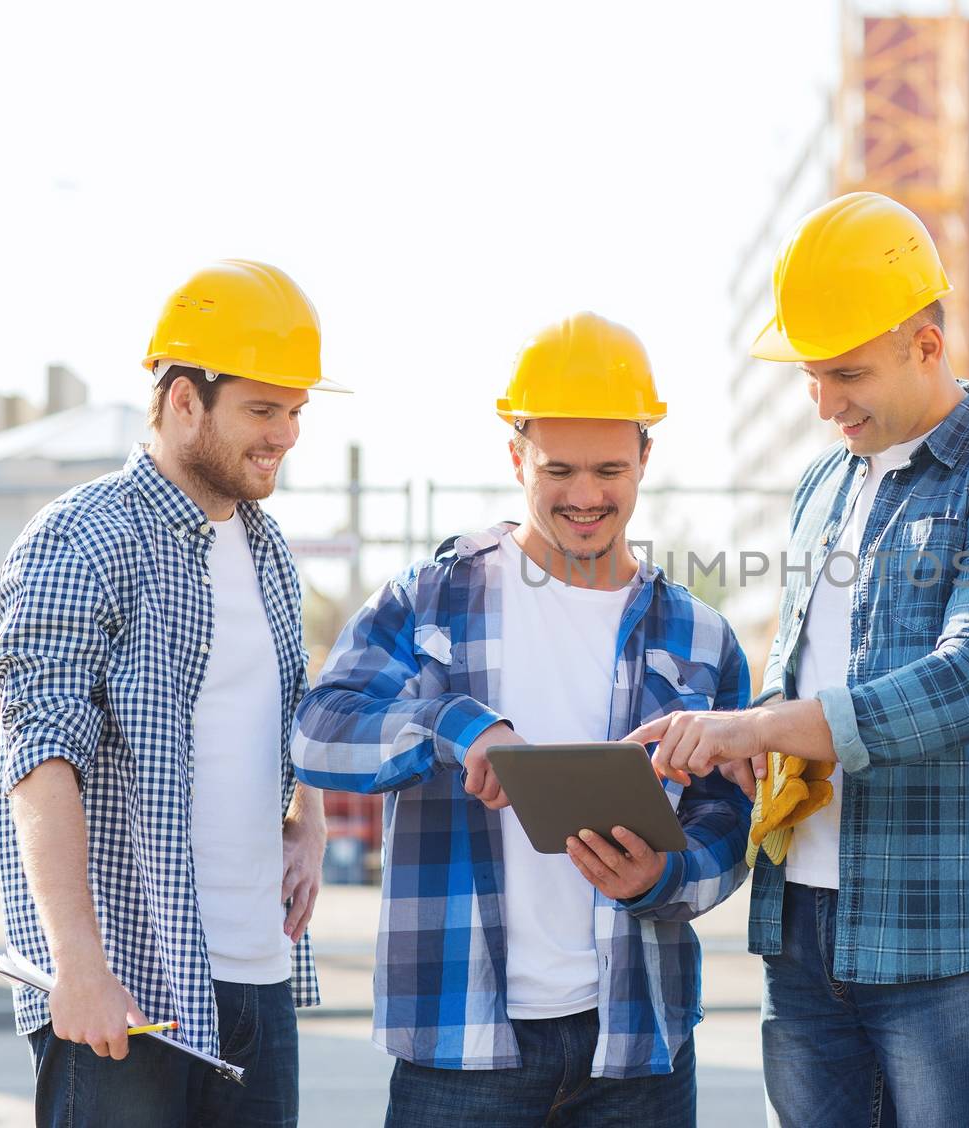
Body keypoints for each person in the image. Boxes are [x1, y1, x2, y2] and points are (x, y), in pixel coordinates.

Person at [629, 192, 969, 1127]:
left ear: (927, 343)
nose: (825, 403)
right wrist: (749, 732)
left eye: (847, 373)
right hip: (803, 929)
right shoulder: (823, 486)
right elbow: (800, 670)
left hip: (951, 934)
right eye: (810, 375)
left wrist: (758, 723)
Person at [291, 311, 752, 1127]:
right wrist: (458, 728)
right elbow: (317, 730)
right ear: (516, 456)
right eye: (558, 468)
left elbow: (731, 818)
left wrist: (665, 878)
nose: (584, 496)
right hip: (461, 1047)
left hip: (636, 1046)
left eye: (610, 468)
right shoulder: (430, 598)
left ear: (647, 456)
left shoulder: (699, 635)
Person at [0, 259, 339, 1127]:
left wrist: (308, 815)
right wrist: (76, 963)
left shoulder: (267, 549)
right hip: (128, 992)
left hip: (256, 981)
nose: (287, 435)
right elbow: (40, 757)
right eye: (263, 410)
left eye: (296, 412)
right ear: (183, 399)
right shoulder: (80, 539)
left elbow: (280, 713)